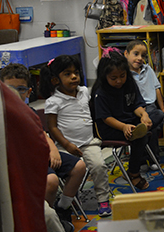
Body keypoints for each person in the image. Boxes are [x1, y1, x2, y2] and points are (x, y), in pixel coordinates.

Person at [0, 63, 85, 231]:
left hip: (39, 154)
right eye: (9, 89)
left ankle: (62, 208)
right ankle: (46, 213)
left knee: (79, 166)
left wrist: (53, 150)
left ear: (29, 92)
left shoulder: (28, 112)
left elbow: (43, 134)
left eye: (21, 89)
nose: (15, 94)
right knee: (51, 180)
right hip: (23, 163)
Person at [40, 55, 112, 217]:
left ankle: (103, 200)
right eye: (67, 74)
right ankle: (71, 199)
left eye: (76, 73)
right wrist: (66, 145)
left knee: (99, 166)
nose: (74, 77)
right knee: (71, 169)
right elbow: (52, 127)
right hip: (65, 145)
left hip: (88, 142)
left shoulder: (84, 91)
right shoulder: (53, 101)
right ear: (55, 80)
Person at [92, 49, 154, 191]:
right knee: (139, 137)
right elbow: (106, 118)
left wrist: (144, 115)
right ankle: (133, 173)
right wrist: (124, 126)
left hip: (130, 121)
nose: (119, 81)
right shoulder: (100, 93)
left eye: (122, 76)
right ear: (104, 76)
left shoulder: (129, 84)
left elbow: (136, 105)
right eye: (114, 78)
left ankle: (140, 129)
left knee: (155, 115)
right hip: (111, 129)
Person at [124, 41, 164, 171]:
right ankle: (142, 159)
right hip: (134, 108)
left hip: (150, 106)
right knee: (142, 129)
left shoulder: (148, 69)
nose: (139, 58)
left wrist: (163, 107)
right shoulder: (124, 74)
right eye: (136, 54)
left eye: (143, 56)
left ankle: (153, 158)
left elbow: (157, 88)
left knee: (153, 125)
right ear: (126, 54)